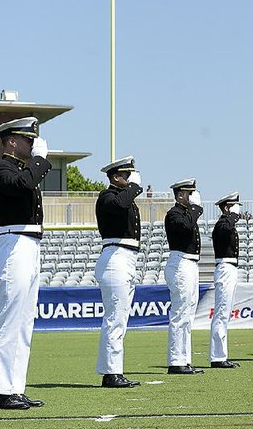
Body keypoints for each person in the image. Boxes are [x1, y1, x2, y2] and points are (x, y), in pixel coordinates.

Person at [0, 116, 50, 409]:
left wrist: (34, 163)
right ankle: (0, 390)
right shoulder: (0, 171)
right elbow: (24, 184)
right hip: (13, 244)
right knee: (9, 320)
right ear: (12, 141)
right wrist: (39, 162)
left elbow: (28, 181)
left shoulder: (22, 171)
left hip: (29, 245)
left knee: (24, 323)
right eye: (29, 139)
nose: (33, 144)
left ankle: (14, 387)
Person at [95, 156, 143, 388]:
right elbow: (119, 204)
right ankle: (111, 373)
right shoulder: (108, 197)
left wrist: (131, 187)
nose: (131, 179)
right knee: (115, 318)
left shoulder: (124, 198)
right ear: (116, 177)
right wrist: (134, 186)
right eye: (127, 175)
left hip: (127, 257)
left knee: (121, 318)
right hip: (115, 257)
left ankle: (114, 370)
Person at [163, 179, 205, 375]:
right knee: (180, 313)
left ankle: (185, 359)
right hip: (180, 263)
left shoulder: (187, 214)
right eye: (190, 193)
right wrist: (196, 208)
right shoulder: (174, 214)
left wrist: (194, 210)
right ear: (180, 195)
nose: (193, 196)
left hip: (190, 263)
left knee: (188, 314)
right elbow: (186, 227)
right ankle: (176, 360)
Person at [209, 191, 243, 369]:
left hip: (230, 267)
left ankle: (221, 354)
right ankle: (217, 356)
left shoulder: (228, 223)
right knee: (221, 312)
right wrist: (231, 215)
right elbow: (226, 228)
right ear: (226, 207)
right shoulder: (222, 224)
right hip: (224, 267)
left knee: (225, 312)